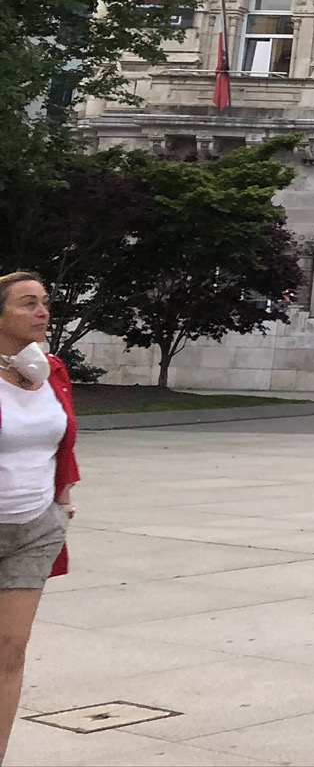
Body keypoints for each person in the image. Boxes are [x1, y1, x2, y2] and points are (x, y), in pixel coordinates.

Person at [0, 273, 80, 766]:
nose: (42, 311)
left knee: (10, 649)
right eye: (28, 303)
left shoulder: (52, 370)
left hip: (35, 528)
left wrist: (64, 496)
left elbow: (63, 437)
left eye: (45, 302)